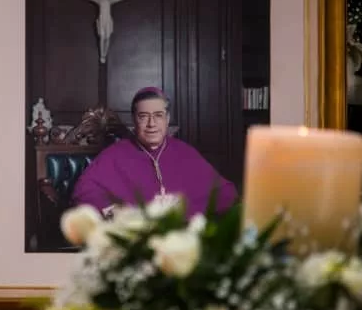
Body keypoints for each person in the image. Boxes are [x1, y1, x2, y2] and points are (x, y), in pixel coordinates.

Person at [71, 87, 238, 218]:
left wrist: (184, 209)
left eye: (158, 115)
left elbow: (226, 192)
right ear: (134, 120)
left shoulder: (185, 152)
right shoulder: (114, 154)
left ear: (167, 119)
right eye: (143, 116)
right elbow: (83, 190)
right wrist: (116, 211)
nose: (151, 124)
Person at [66, 0, 140, 63]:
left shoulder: (110, 1)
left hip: (108, 20)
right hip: (102, 20)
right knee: (102, 38)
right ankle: (102, 55)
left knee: (107, 38)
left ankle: (104, 55)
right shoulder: (99, 0)